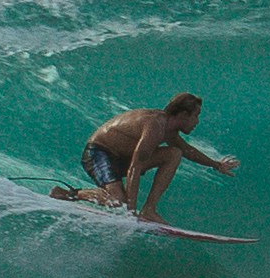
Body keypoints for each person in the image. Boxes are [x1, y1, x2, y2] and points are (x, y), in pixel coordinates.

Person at [76, 92, 236, 221]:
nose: (197, 121)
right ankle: (73, 193)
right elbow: (135, 168)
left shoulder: (168, 130)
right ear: (182, 114)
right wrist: (130, 212)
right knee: (119, 203)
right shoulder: (155, 126)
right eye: (195, 115)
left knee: (174, 153)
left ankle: (149, 210)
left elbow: (188, 151)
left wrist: (217, 165)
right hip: (99, 153)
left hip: (121, 158)